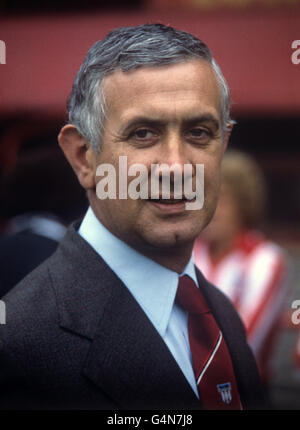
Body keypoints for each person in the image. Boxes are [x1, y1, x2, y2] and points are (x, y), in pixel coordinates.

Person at [0, 24, 264, 410]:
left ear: (223, 144)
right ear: (82, 157)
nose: (176, 166)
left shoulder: (220, 314)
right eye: (143, 134)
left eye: (198, 132)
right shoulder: (23, 347)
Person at [194, 150, 289, 388]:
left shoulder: (266, 259)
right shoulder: (187, 252)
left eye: (221, 198)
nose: (209, 208)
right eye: (203, 196)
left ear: (243, 205)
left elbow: (246, 341)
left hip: (244, 391)